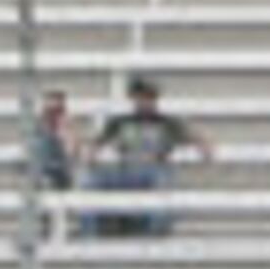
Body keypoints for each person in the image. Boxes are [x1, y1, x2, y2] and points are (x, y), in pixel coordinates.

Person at [82, 75, 211, 238]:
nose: (144, 102)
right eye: (140, 97)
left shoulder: (167, 122)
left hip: (153, 170)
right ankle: (90, 234)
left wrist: (204, 148)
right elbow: (97, 141)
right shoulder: (121, 122)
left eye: (148, 97)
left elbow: (195, 137)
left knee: (162, 181)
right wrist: (91, 154)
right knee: (90, 181)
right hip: (126, 171)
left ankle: (153, 234)